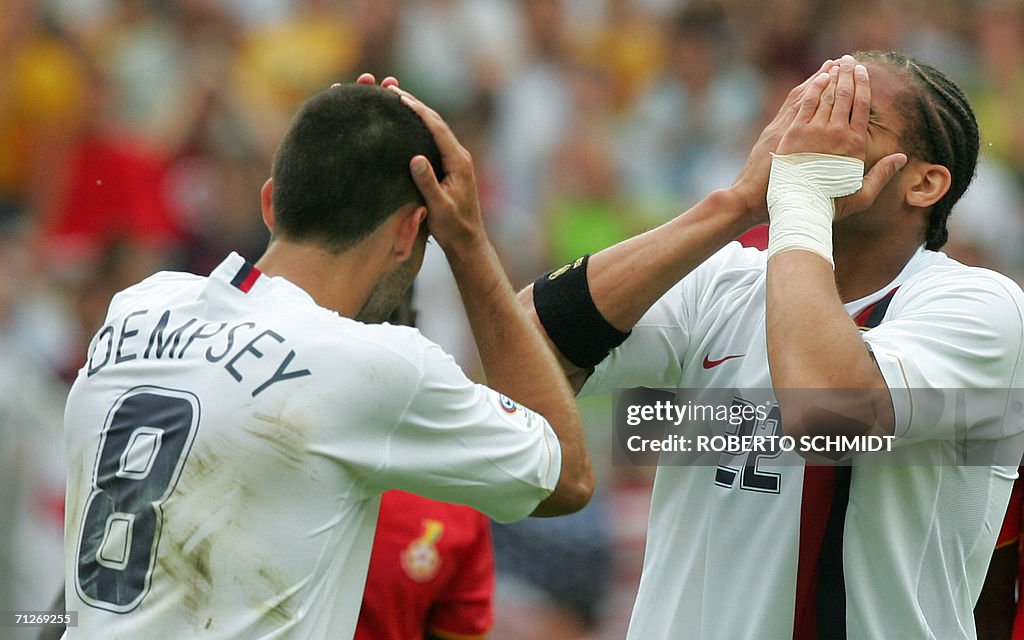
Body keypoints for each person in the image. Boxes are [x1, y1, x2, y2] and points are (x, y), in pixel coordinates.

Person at [61, 76, 593, 639]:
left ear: (271, 202)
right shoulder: (373, 367)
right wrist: (467, 242)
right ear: (411, 231)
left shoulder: (138, 306)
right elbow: (567, 478)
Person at [521, 52, 1024, 638]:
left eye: (851, 115)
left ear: (924, 183)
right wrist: (735, 204)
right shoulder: (724, 278)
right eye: (806, 107)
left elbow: (825, 409)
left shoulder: (979, 306)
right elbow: (524, 345)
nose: (809, 133)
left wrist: (802, 202)